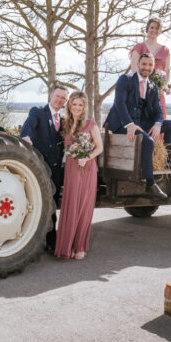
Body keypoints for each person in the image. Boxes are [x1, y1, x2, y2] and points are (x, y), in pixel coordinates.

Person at [104, 53, 171, 200]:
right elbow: (119, 104)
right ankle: (150, 183)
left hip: (140, 123)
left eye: (150, 65)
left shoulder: (152, 86)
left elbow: (158, 110)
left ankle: (168, 160)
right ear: (138, 65)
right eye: (144, 64)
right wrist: (129, 124)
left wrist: (158, 124)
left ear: (153, 68)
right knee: (147, 141)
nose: (147, 67)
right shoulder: (125, 80)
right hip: (122, 123)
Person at [20, 85, 69, 254]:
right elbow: (28, 126)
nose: (60, 100)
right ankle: (32, 238)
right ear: (51, 95)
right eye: (58, 96)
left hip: (56, 169)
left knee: (53, 202)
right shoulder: (38, 112)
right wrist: (25, 136)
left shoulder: (63, 120)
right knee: (35, 202)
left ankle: (51, 238)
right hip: (39, 168)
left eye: (63, 98)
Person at [55, 91, 103, 260]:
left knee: (82, 206)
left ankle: (80, 245)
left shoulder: (91, 124)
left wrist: (86, 157)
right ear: (70, 105)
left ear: (84, 107)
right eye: (74, 104)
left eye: (80, 105)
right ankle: (66, 246)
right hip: (71, 170)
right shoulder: (66, 124)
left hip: (87, 169)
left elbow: (99, 147)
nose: (76, 108)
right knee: (70, 205)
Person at [130, 17, 171, 118]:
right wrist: (144, 84)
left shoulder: (165, 50)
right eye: (152, 27)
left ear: (160, 31)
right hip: (141, 89)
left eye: (157, 28)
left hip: (158, 92)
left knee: (158, 120)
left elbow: (167, 71)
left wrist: (162, 86)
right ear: (147, 29)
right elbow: (134, 68)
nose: (154, 30)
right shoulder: (139, 47)